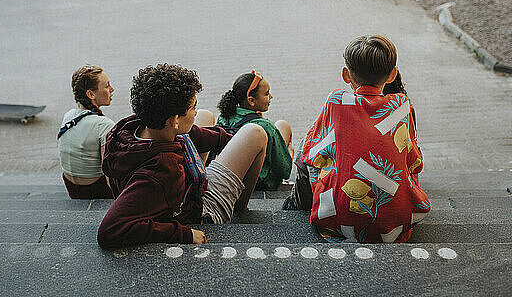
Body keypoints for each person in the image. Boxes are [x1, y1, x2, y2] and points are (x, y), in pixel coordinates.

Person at [97, 64, 267, 248]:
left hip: (178, 191)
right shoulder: (161, 171)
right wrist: (181, 234)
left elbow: (190, 134)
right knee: (255, 133)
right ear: (175, 120)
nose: (195, 111)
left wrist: (228, 139)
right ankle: (238, 208)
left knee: (205, 116)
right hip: (198, 213)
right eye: (193, 106)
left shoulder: (131, 126)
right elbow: (109, 230)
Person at [285, 35, 430, 243]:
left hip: (337, 219)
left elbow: (311, 154)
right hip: (394, 223)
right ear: (392, 75)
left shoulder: (336, 102)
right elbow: (415, 162)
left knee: (307, 151)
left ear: (346, 75)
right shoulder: (402, 105)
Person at [216, 70, 294, 190]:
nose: (271, 97)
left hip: (230, 177)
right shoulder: (265, 126)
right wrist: (289, 152)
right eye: (267, 94)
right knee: (283, 125)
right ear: (251, 100)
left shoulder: (223, 117)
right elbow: (285, 171)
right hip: (259, 183)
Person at [57, 65, 116, 199]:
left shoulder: (69, 116)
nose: (112, 89)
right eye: (107, 86)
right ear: (91, 94)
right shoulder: (104, 125)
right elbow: (109, 175)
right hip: (96, 189)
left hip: (71, 188)